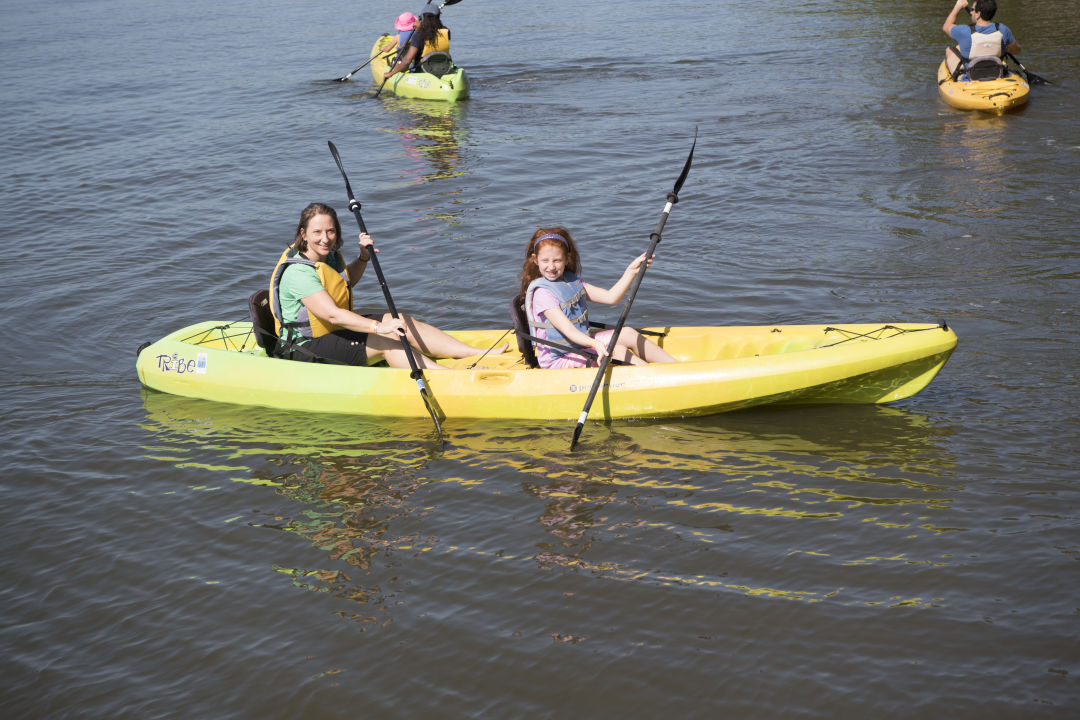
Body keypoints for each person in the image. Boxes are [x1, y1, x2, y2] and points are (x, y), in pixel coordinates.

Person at [270, 203, 500, 368]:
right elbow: (332, 316)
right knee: (385, 338)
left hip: (332, 333)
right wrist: (377, 328)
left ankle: (472, 353)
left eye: (330, 231)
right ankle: (445, 377)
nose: (325, 238)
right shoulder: (299, 272)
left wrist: (363, 258)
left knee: (398, 319)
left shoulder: (326, 256)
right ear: (304, 234)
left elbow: (344, 285)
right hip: (305, 348)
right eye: (317, 232)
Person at [518, 227, 676, 369]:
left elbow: (611, 298)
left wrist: (631, 271)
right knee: (616, 352)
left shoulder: (571, 281)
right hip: (558, 358)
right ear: (535, 260)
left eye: (557, 260)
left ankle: (675, 367)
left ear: (567, 259)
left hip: (578, 346)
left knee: (627, 333)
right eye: (545, 260)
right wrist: (595, 344)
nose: (551, 266)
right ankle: (660, 376)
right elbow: (568, 330)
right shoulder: (542, 294)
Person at [943, 0, 1021, 78]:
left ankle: (953, 80)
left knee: (949, 50)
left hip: (970, 78)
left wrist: (958, 6)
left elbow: (946, 26)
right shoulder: (1003, 30)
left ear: (978, 14)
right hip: (996, 74)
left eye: (972, 10)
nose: (970, 12)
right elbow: (1017, 50)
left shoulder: (964, 31)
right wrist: (1005, 49)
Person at [383, 4, 451, 80]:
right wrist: (420, 29)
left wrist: (391, 73)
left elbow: (407, 61)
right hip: (444, 68)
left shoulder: (419, 35)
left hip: (424, 71)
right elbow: (433, 36)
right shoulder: (446, 31)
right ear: (438, 16)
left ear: (423, 18)